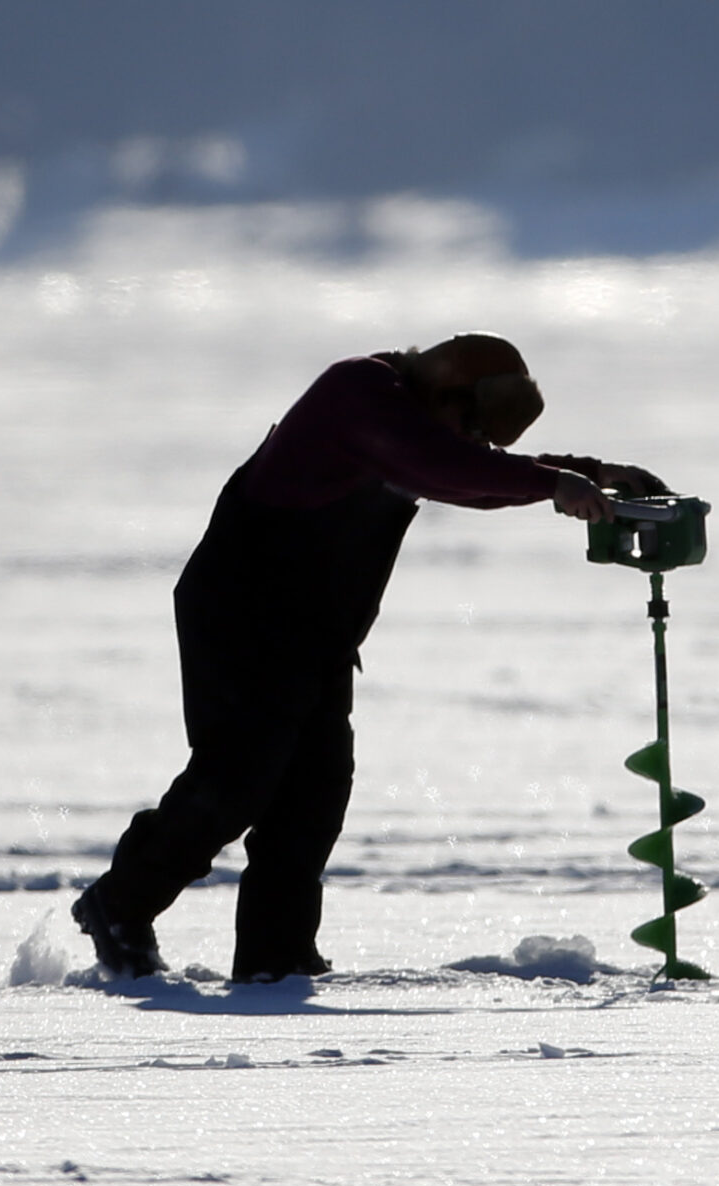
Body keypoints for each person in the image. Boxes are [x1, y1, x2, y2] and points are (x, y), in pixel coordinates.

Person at [71, 333, 663, 981]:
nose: (476, 444)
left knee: (313, 796)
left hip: (315, 632)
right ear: (447, 387)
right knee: (236, 780)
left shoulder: (416, 427)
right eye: (472, 425)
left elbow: (464, 470)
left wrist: (593, 476)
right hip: (240, 616)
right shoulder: (359, 395)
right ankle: (119, 905)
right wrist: (553, 483)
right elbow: (448, 468)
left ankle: (276, 960)